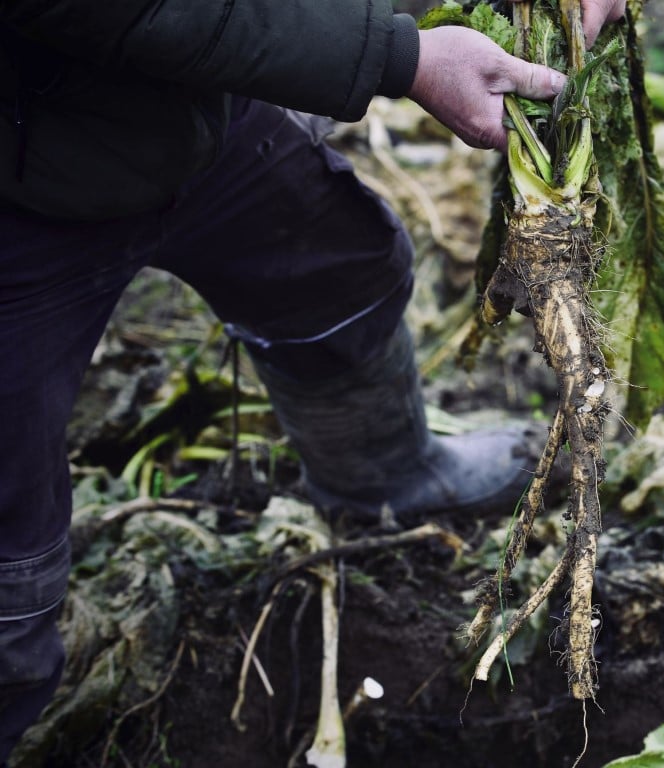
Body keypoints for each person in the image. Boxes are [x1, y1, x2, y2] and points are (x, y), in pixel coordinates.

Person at [0, 0, 625, 762]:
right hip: (23, 176)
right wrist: (403, 58)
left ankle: (383, 478)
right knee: (9, 541)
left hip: (169, 99)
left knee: (336, 268)